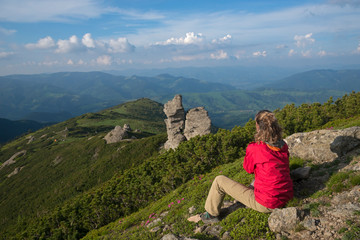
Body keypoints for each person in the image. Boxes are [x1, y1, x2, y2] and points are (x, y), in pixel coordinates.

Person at [200, 110, 293, 223]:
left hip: (267, 204)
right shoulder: (283, 145)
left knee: (219, 181)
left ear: (258, 126)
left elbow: (248, 169)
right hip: (286, 195)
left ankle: (211, 215)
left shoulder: (255, 148)